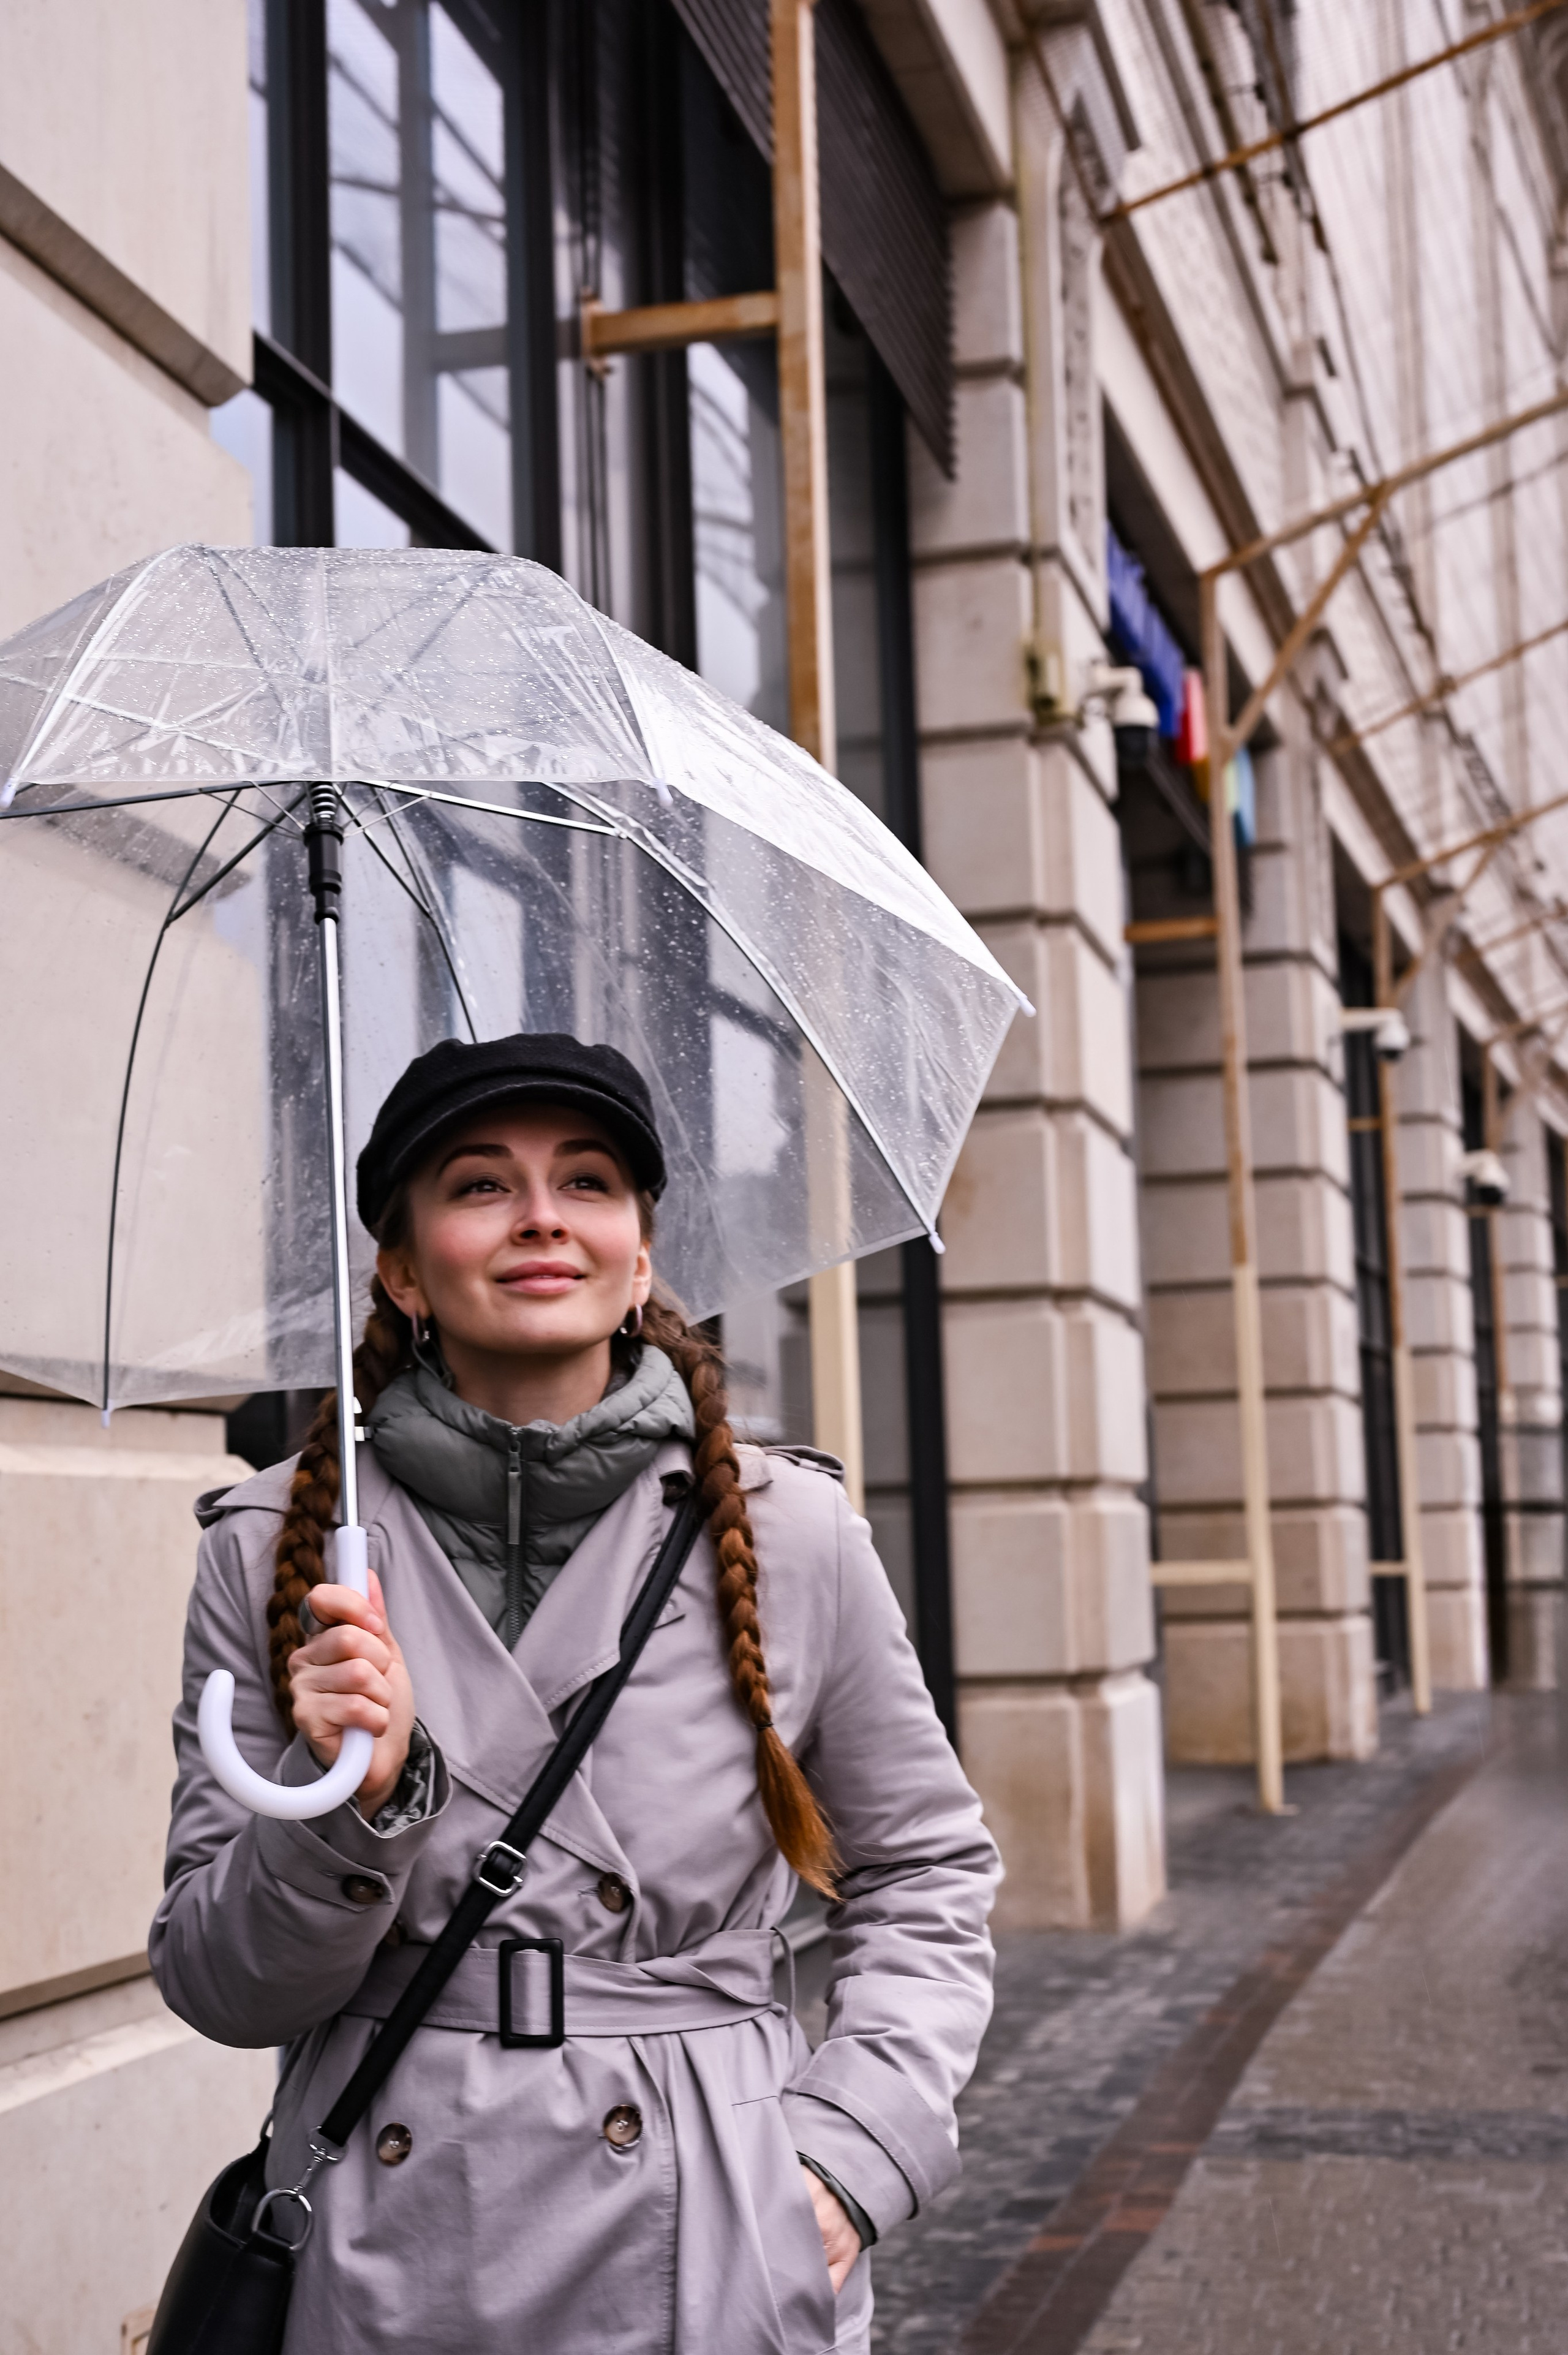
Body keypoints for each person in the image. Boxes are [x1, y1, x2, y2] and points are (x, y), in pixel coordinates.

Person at [151, 1032, 1000, 2355]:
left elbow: (927, 1872)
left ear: (641, 1253)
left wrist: (846, 2152)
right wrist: (347, 1811)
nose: (542, 1215)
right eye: (480, 1184)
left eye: (589, 1181)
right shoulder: (271, 1546)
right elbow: (218, 1981)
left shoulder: (792, 1533)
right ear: (400, 1264)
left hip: (708, 2219)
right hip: (392, 2232)